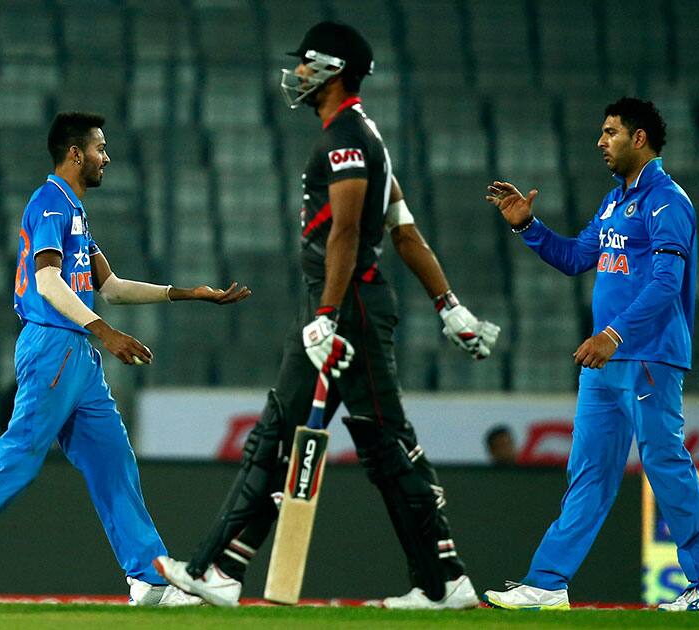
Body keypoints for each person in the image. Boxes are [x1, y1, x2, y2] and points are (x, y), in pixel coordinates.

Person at [153, 22, 500, 610]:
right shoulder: (371, 138)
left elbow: (345, 231)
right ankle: (222, 568)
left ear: (337, 70)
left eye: (310, 62)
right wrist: (450, 307)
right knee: (319, 438)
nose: (301, 73)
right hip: (349, 308)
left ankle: (443, 582)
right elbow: (406, 233)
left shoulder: (343, 138)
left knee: (354, 440)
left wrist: (326, 315)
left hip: (347, 309)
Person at [0, 112, 250, 606]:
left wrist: (189, 293)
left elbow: (113, 288)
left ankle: (148, 579)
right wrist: (104, 333)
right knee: (18, 460)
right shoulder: (49, 203)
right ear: (74, 153)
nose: (106, 157)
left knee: (113, 462)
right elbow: (46, 282)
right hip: (53, 348)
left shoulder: (75, 213)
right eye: (100, 148)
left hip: (77, 356)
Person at [483, 98, 699, 612]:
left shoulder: (668, 202)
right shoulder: (615, 202)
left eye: (611, 131)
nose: (601, 141)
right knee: (588, 471)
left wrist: (612, 335)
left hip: (647, 356)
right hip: (606, 362)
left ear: (639, 139)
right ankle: (548, 583)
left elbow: (667, 282)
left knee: (664, 463)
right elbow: (576, 258)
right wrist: (528, 227)